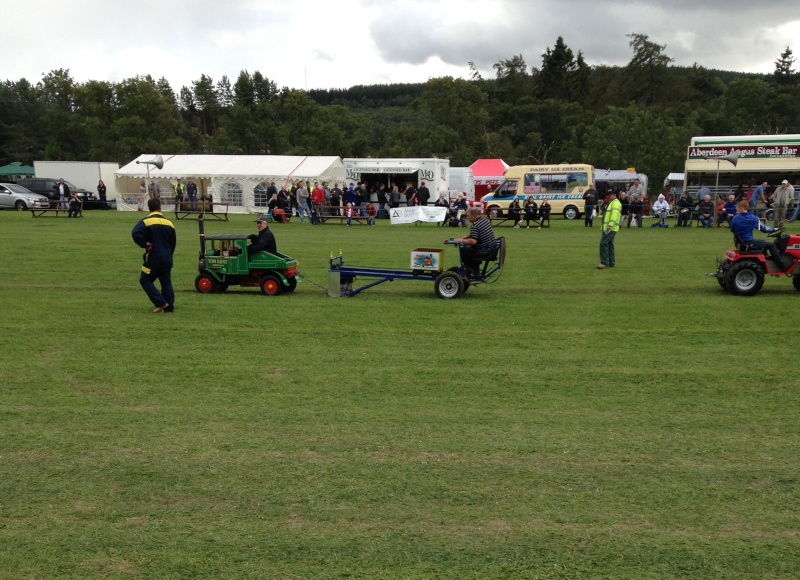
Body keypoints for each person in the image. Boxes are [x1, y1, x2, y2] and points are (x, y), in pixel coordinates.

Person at [131, 198, 176, 313]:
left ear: (149, 208)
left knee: (145, 280)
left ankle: (161, 303)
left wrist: (145, 244)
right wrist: (169, 254)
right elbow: (173, 242)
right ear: (160, 208)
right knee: (166, 282)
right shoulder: (169, 223)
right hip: (167, 258)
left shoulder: (146, 221)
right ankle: (169, 307)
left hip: (154, 257)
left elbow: (135, 233)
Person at [730, 200, 784, 268]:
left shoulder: (735, 218)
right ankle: (781, 265)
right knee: (771, 245)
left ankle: (766, 261)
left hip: (741, 242)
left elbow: (732, 229)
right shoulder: (753, 218)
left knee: (762, 242)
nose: (736, 211)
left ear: (742, 208)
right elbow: (764, 229)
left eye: (737, 210)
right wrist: (773, 229)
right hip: (748, 243)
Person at [446, 207, 496, 276]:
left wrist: (460, 240)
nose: (467, 217)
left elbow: (473, 241)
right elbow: (478, 233)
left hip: (485, 251)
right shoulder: (484, 220)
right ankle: (475, 269)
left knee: (464, 250)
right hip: (491, 249)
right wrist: (467, 237)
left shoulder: (476, 225)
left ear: (474, 216)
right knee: (468, 249)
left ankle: (472, 271)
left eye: (468, 216)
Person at [598, 190, 621, 269]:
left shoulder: (615, 203)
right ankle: (611, 262)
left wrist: (610, 225)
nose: (607, 196)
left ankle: (604, 262)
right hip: (610, 227)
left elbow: (614, 214)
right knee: (610, 244)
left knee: (603, 243)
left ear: (613, 195)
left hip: (610, 228)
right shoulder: (611, 203)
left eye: (609, 195)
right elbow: (604, 212)